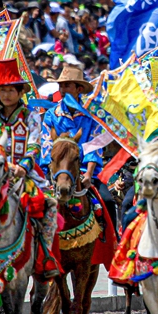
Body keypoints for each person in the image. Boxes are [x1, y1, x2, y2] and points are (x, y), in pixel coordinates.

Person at [39, 64, 117, 226]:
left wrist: (88, 174)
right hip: (56, 172)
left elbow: (94, 146)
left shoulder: (92, 115)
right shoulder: (51, 115)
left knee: (108, 201)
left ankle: (113, 238)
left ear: (79, 89)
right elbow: (46, 145)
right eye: (61, 86)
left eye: (67, 85)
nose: (62, 89)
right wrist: (49, 174)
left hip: (85, 171)